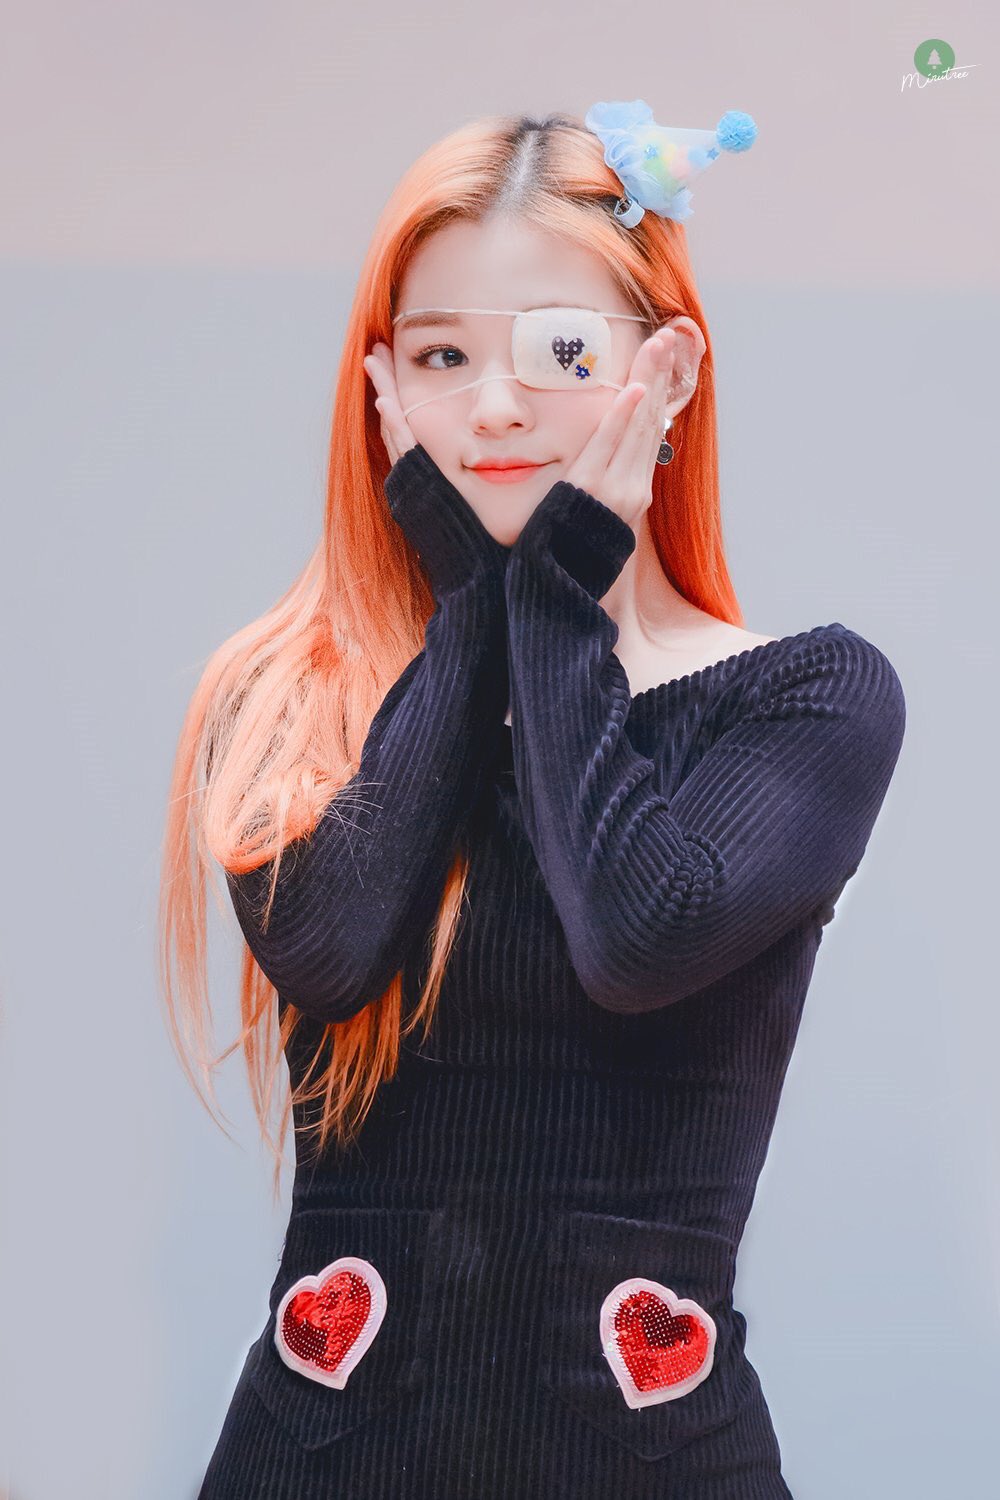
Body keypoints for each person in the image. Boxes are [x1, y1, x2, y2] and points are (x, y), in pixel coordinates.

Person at [162, 103, 906, 1499]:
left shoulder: (809, 696)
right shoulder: (283, 695)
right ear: (383, 383)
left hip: (650, 1455)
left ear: (668, 370)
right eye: (442, 355)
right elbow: (330, 948)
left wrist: (549, 598)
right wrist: (476, 614)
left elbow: (638, 937)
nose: (494, 407)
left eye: (559, 352)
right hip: (321, 1459)